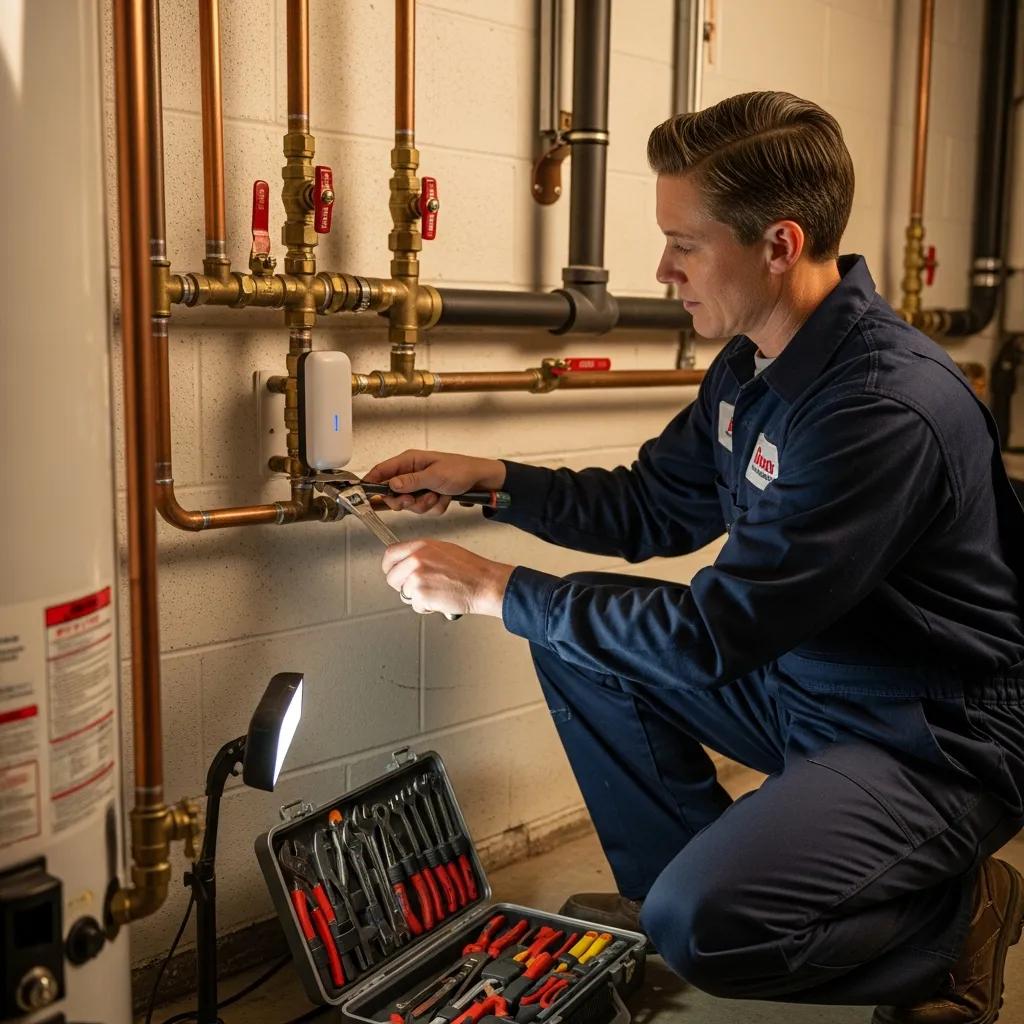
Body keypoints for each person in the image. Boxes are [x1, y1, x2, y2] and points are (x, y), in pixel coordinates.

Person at [365, 92, 1024, 1023]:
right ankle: (692, 889)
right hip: (805, 683)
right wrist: (490, 478)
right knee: (575, 638)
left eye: (685, 242)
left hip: (926, 731)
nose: (662, 268)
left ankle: (954, 919)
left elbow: (719, 633)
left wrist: (495, 588)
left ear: (779, 245)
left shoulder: (879, 408)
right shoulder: (756, 362)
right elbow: (649, 506)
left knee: (704, 927)